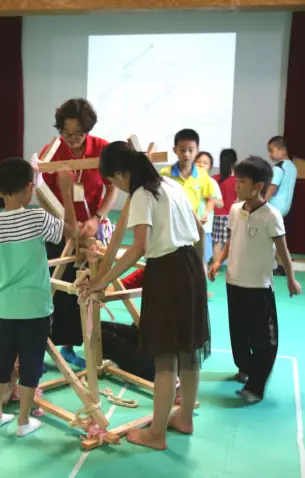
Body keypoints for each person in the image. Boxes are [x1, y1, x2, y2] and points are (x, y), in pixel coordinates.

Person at [82, 141, 210, 451]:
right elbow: (200, 231)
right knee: (187, 350)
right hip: (191, 267)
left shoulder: (141, 195)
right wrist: (199, 273)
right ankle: (184, 418)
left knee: (165, 357)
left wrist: (101, 282)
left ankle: (157, 434)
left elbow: (139, 246)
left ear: (120, 173)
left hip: (167, 272)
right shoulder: (171, 184)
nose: (116, 188)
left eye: (113, 181)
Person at [0, 157, 78, 437]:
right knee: (31, 364)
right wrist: (67, 193)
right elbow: (72, 232)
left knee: (2, 363)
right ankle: (22, 422)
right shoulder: (37, 217)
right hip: (35, 307)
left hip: (4, 308)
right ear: (31, 188)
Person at [209, 156, 302, 404]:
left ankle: (257, 385)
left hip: (258, 287)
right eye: (236, 180)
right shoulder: (235, 210)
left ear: (259, 185)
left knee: (262, 338)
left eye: (242, 181)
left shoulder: (271, 216)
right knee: (238, 333)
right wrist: (218, 261)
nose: (236, 185)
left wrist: (291, 278)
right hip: (233, 282)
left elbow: (283, 250)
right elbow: (232, 239)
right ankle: (245, 368)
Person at [38, 98, 118, 368]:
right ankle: (60, 343)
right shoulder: (51, 151)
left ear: (88, 130)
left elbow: (113, 188)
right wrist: (65, 224)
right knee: (60, 286)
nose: (72, 139)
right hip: (61, 229)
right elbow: (43, 193)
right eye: (66, 132)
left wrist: (97, 218)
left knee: (91, 287)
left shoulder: (101, 149)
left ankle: (88, 344)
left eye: (78, 134)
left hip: (94, 228)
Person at [160, 129, 215, 218]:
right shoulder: (165, 173)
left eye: (191, 150)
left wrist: (206, 214)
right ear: (175, 150)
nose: (186, 154)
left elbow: (210, 199)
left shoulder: (202, 174)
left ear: (197, 150)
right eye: (182, 150)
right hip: (171, 223)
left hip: (193, 223)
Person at [265, 136, 298, 276]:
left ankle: (269, 265)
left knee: (268, 237)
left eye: (271, 150)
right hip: (285, 207)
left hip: (274, 206)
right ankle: (281, 265)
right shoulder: (293, 167)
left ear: (281, 149)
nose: (270, 154)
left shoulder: (278, 168)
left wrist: (261, 202)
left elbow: (272, 187)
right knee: (277, 237)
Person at [194, 152, 224, 269]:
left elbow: (221, 203)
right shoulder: (189, 181)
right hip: (188, 226)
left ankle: (201, 287)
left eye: (205, 163)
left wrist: (210, 198)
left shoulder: (211, 182)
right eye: (198, 161)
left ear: (210, 167)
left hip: (204, 228)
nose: (201, 164)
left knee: (202, 261)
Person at [212, 148, 239, 265]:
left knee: (217, 242)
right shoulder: (238, 180)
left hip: (217, 214)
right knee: (233, 241)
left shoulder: (215, 178)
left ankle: (215, 265)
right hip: (232, 213)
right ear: (235, 162)